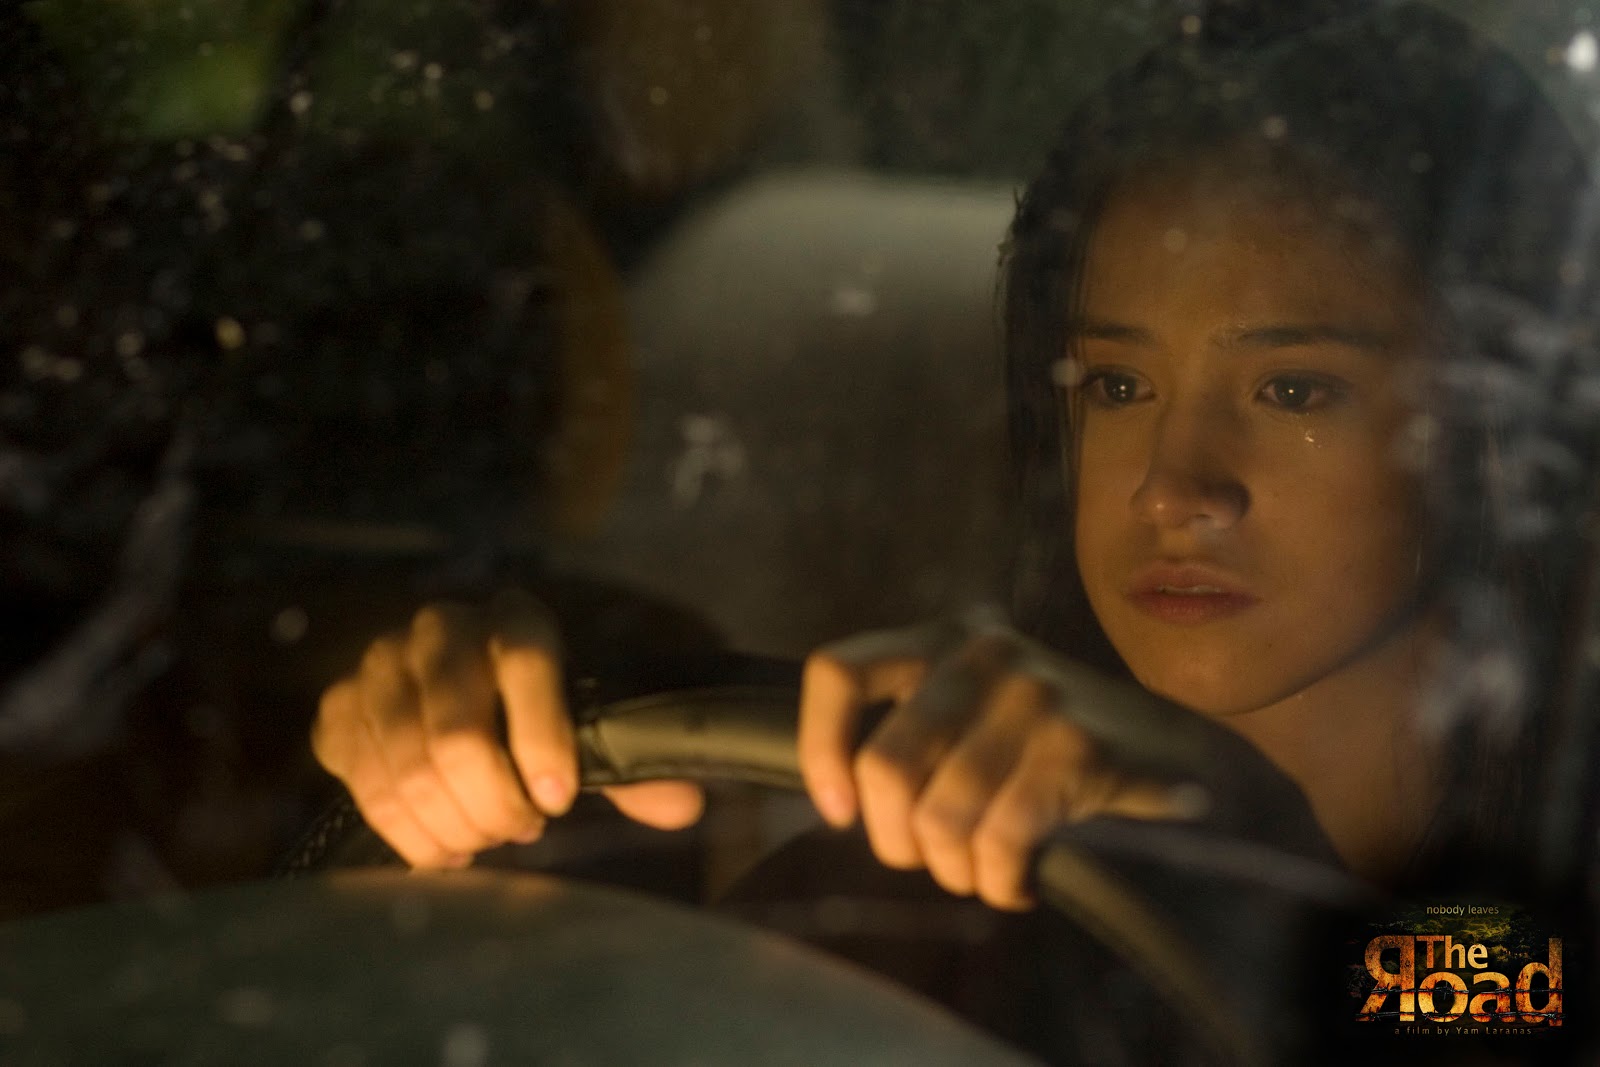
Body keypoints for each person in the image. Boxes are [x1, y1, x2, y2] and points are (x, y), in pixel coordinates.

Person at [309, 2, 1600, 911]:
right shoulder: (916, 867)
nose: (1171, 486)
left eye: (1295, 389)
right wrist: (459, 811)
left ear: (1497, 428)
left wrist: (1231, 853)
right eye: (1116, 386)